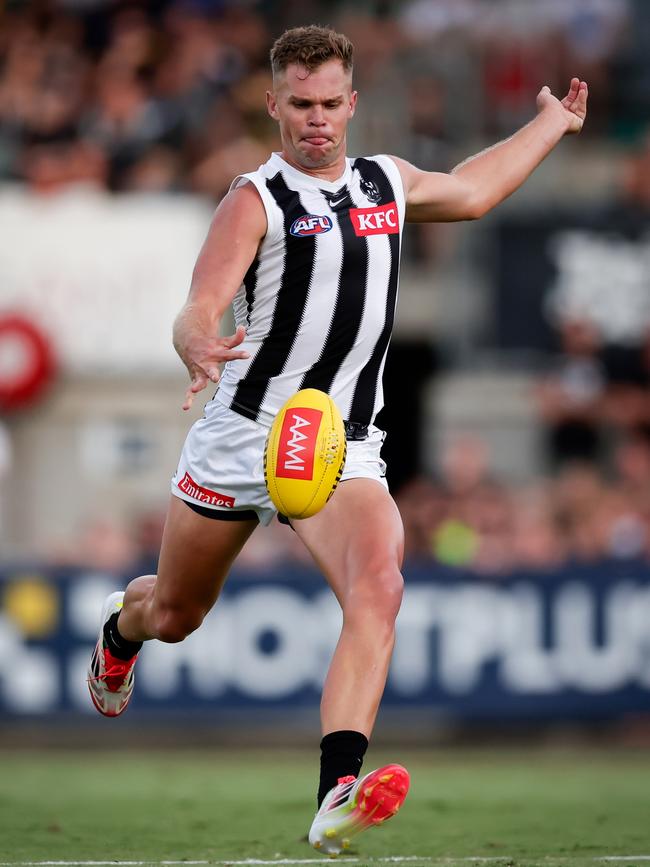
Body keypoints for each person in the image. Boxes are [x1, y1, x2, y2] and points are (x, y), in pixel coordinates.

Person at [87, 24, 588, 856]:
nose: (317, 120)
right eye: (301, 105)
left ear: (352, 104)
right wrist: (195, 339)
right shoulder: (253, 198)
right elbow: (201, 300)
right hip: (244, 435)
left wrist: (550, 124)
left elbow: (469, 191)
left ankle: (336, 792)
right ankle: (121, 630)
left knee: (380, 585)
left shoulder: (385, 182)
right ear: (275, 104)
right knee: (175, 614)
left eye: (330, 104)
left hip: (341, 444)